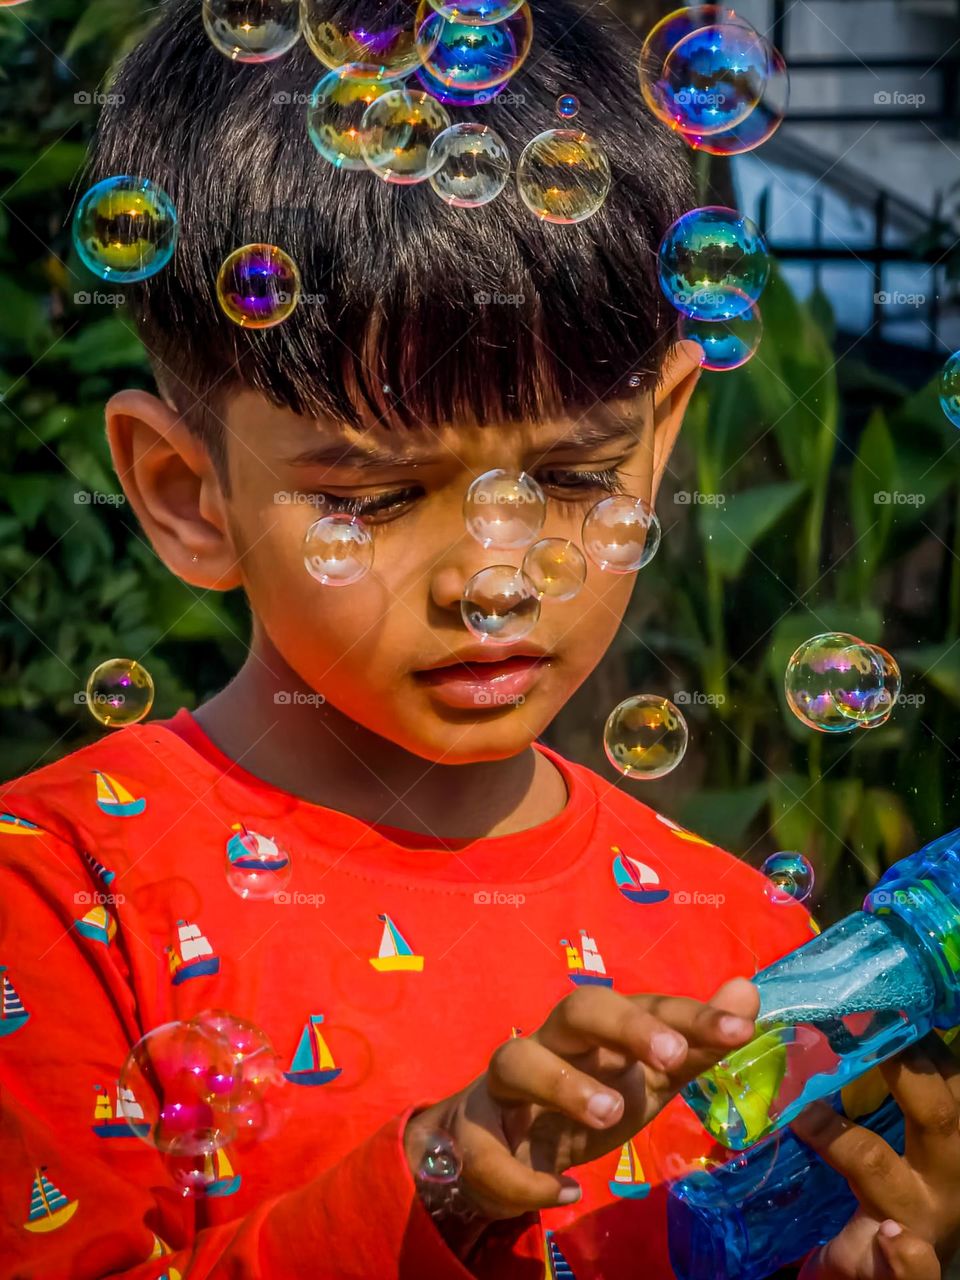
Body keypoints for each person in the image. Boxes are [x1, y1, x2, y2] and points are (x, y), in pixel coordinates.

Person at [1, 1, 958, 1277]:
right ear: (189, 494)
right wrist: (429, 1198)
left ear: (662, 435)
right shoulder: (58, 901)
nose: (494, 581)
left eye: (570, 475)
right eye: (375, 498)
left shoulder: (748, 946)